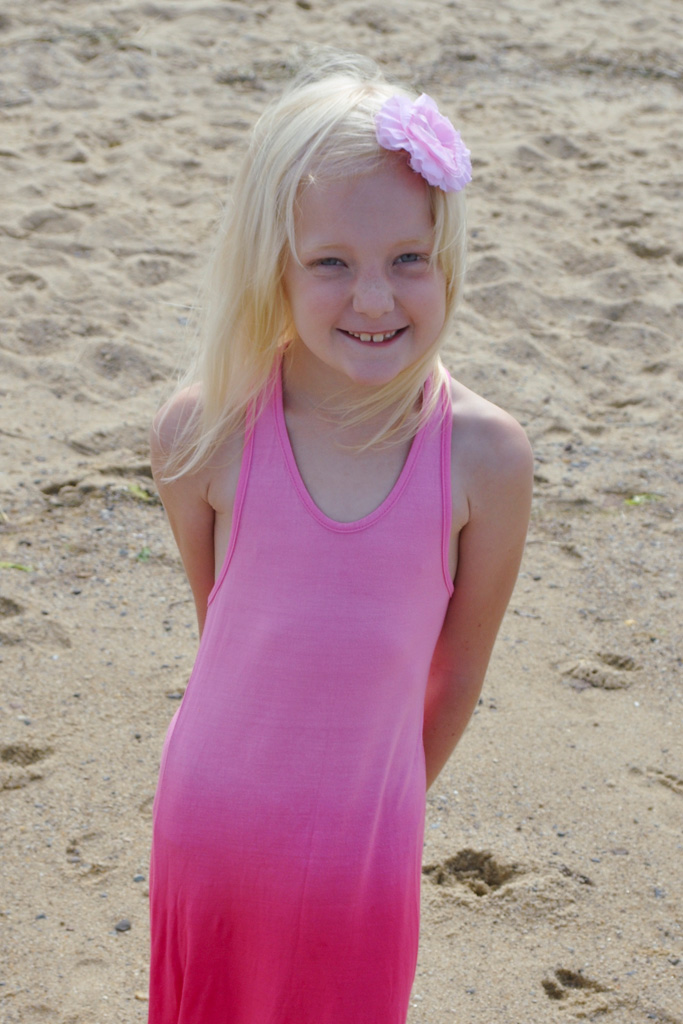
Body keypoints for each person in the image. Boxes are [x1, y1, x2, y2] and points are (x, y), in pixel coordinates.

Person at [148, 52, 533, 1024]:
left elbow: (456, 672)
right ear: (272, 265)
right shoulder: (204, 431)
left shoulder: (484, 458)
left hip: (361, 859)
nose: (373, 299)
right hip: (210, 835)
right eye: (330, 262)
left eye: (408, 258)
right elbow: (225, 639)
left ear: (446, 257)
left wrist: (373, 806)